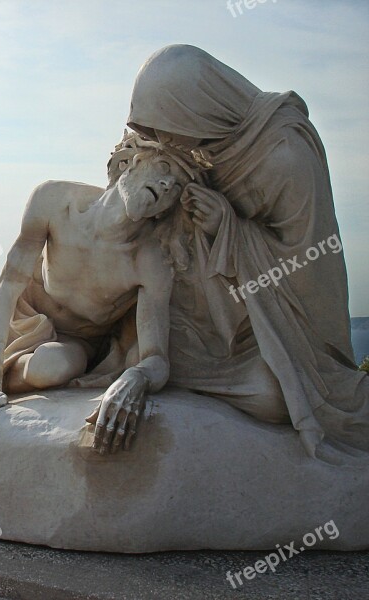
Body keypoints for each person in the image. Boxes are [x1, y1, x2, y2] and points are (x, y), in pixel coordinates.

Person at [127, 44, 369, 461]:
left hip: (280, 321)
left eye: (168, 126)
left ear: (201, 106)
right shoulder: (198, 141)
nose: (162, 140)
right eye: (155, 128)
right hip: (207, 306)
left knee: (279, 391)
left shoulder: (285, 156)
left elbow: (309, 267)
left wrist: (228, 228)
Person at [0, 134, 202, 454]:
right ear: (136, 163)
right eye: (164, 168)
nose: (167, 184)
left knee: (53, 366)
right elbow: (7, 289)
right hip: (19, 310)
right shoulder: (55, 200)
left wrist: (137, 378)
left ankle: (0, 378)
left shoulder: (151, 261)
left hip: (74, 340)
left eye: (177, 185)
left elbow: (156, 357)